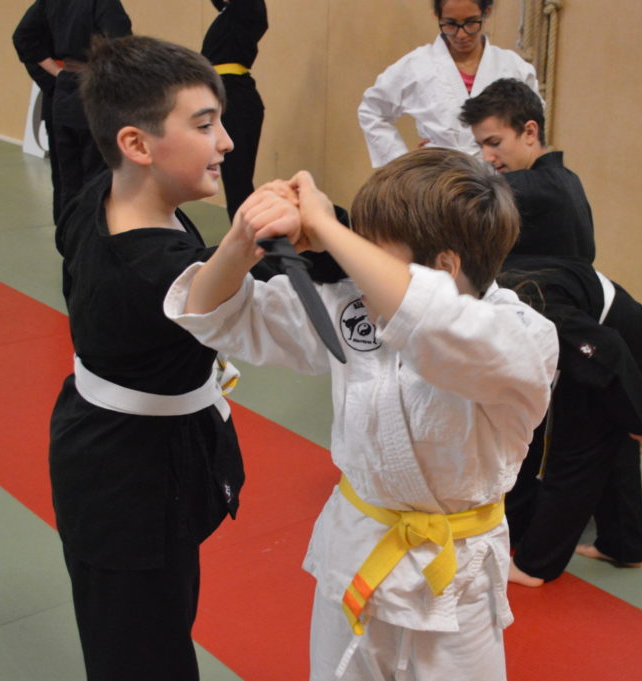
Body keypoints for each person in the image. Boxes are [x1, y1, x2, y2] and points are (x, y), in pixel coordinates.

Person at [164, 149, 559, 680]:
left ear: (443, 266)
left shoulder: (523, 338)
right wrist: (241, 241)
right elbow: (222, 318)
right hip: (356, 554)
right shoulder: (354, 305)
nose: (352, 263)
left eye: (370, 251)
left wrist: (329, 226)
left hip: (455, 584)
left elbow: (436, 325)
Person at [48, 35, 245, 681]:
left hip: (122, 445)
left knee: (158, 620)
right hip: (125, 483)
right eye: (205, 124)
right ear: (136, 144)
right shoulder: (151, 272)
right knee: (140, 655)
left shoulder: (106, 195)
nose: (226, 143)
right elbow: (198, 292)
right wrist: (246, 239)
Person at [496, 254, 642, 586]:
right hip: (602, 336)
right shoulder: (490, 285)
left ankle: (536, 567)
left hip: (616, 350)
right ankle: (622, 545)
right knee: (610, 438)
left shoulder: (525, 302)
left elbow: (607, 350)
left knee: (576, 452)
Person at [358, 0, 539, 168]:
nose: (461, 34)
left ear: (486, 13)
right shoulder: (416, 65)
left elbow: (533, 123)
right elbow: (372, 110)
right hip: (436, 176)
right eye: (450, 24)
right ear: (437, 17)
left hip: (498, 176)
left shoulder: (513, 67)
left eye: (471, 23)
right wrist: (401, 161)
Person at [11, 0, 132, 222]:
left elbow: (24, 38)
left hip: (64, 94)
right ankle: (92, 241)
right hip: (96, 94)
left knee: (67, 178)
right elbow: (120, 48)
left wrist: (58, 75)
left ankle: (69, 240)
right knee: (99, 178)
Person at [460, 77, 595, 262]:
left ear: (530, 132)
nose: (486, 157)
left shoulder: (531, 188)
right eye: (481, 146)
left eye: (494, 143)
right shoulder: (569, 179)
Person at [201, 0, 268, 222]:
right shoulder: (228, 14)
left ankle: (251, 240)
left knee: (237, 180)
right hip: (227, 96)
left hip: (236, 100)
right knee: (235, 180)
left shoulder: (248, 9)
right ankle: (249, 237)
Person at [12, 2, 62, 223]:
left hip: (93, 103)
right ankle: (70, 239)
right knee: (66, 180)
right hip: (63, 102)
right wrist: (56, 78)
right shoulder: (49, 4)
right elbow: (23, 38)